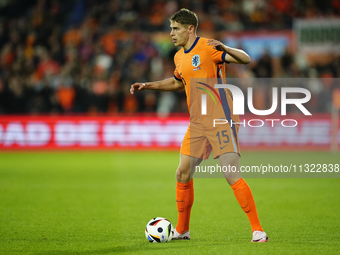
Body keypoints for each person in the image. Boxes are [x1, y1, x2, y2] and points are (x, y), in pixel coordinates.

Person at [130, 8, 268, 243]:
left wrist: (225, 48)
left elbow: (246, 59)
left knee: (230, 172)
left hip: (221, 118)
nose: (171, 33)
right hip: (197, 122)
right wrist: (148, 85)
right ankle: (182, 231)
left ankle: (258, 230)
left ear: (189, 29)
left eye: (175, 29)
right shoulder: (178, 57)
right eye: (171, 28)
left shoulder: (208, 47)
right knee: (182, 172)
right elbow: (177, 82)